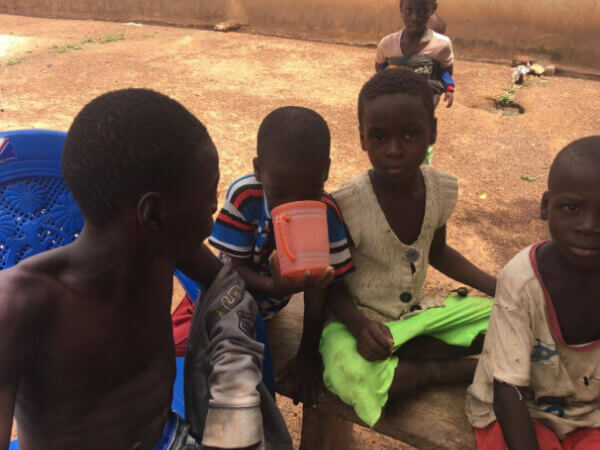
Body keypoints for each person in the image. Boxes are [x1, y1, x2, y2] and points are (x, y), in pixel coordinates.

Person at [0, 89, 275, 450]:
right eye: (209, 200)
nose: (215, 210)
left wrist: (233, 373)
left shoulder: (169, 249)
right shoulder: (20, 306)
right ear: (154, 214)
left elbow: (227, 287)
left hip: (166, 439)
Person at [326, 68, 496, 401]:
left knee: (507, 316)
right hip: (357, 322)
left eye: (410, 134)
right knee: (349, 371)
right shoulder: (349, 204)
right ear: (362, 138)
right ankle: (438, 368)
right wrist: (359, 327)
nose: (394, 149)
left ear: (432, 132)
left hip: (415, 316)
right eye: (378, 136)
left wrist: (498, 288)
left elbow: (439, 251)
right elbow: (330, 285)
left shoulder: (440, 188)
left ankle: (415, 347)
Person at [208, 106, 354, 407]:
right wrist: (275, 287)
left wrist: (307, 354)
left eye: (311, 193)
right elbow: (228, 271)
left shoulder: (327, 212)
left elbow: (321, 285)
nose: (295, 205)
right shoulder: (245, 197)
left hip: (271, 309)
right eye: (279, 193)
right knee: (231, 386)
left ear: (325, 172)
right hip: (228, 301)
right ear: (259, 169)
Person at [466, 137, 600, 450]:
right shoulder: (522, 279)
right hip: (520, 410)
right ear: (544, 206)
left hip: (589, 414)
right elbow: (507, 390)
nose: (590, 226)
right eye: (571, 207)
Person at [375, 0, 455, 109]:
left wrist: (449, 88)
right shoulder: (387, 44)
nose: (414, 18)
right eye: (408, 10)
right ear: (401, 9)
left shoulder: (442, 45)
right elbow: (380, 67)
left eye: (422, 11)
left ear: (433, 10)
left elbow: (444, 71)